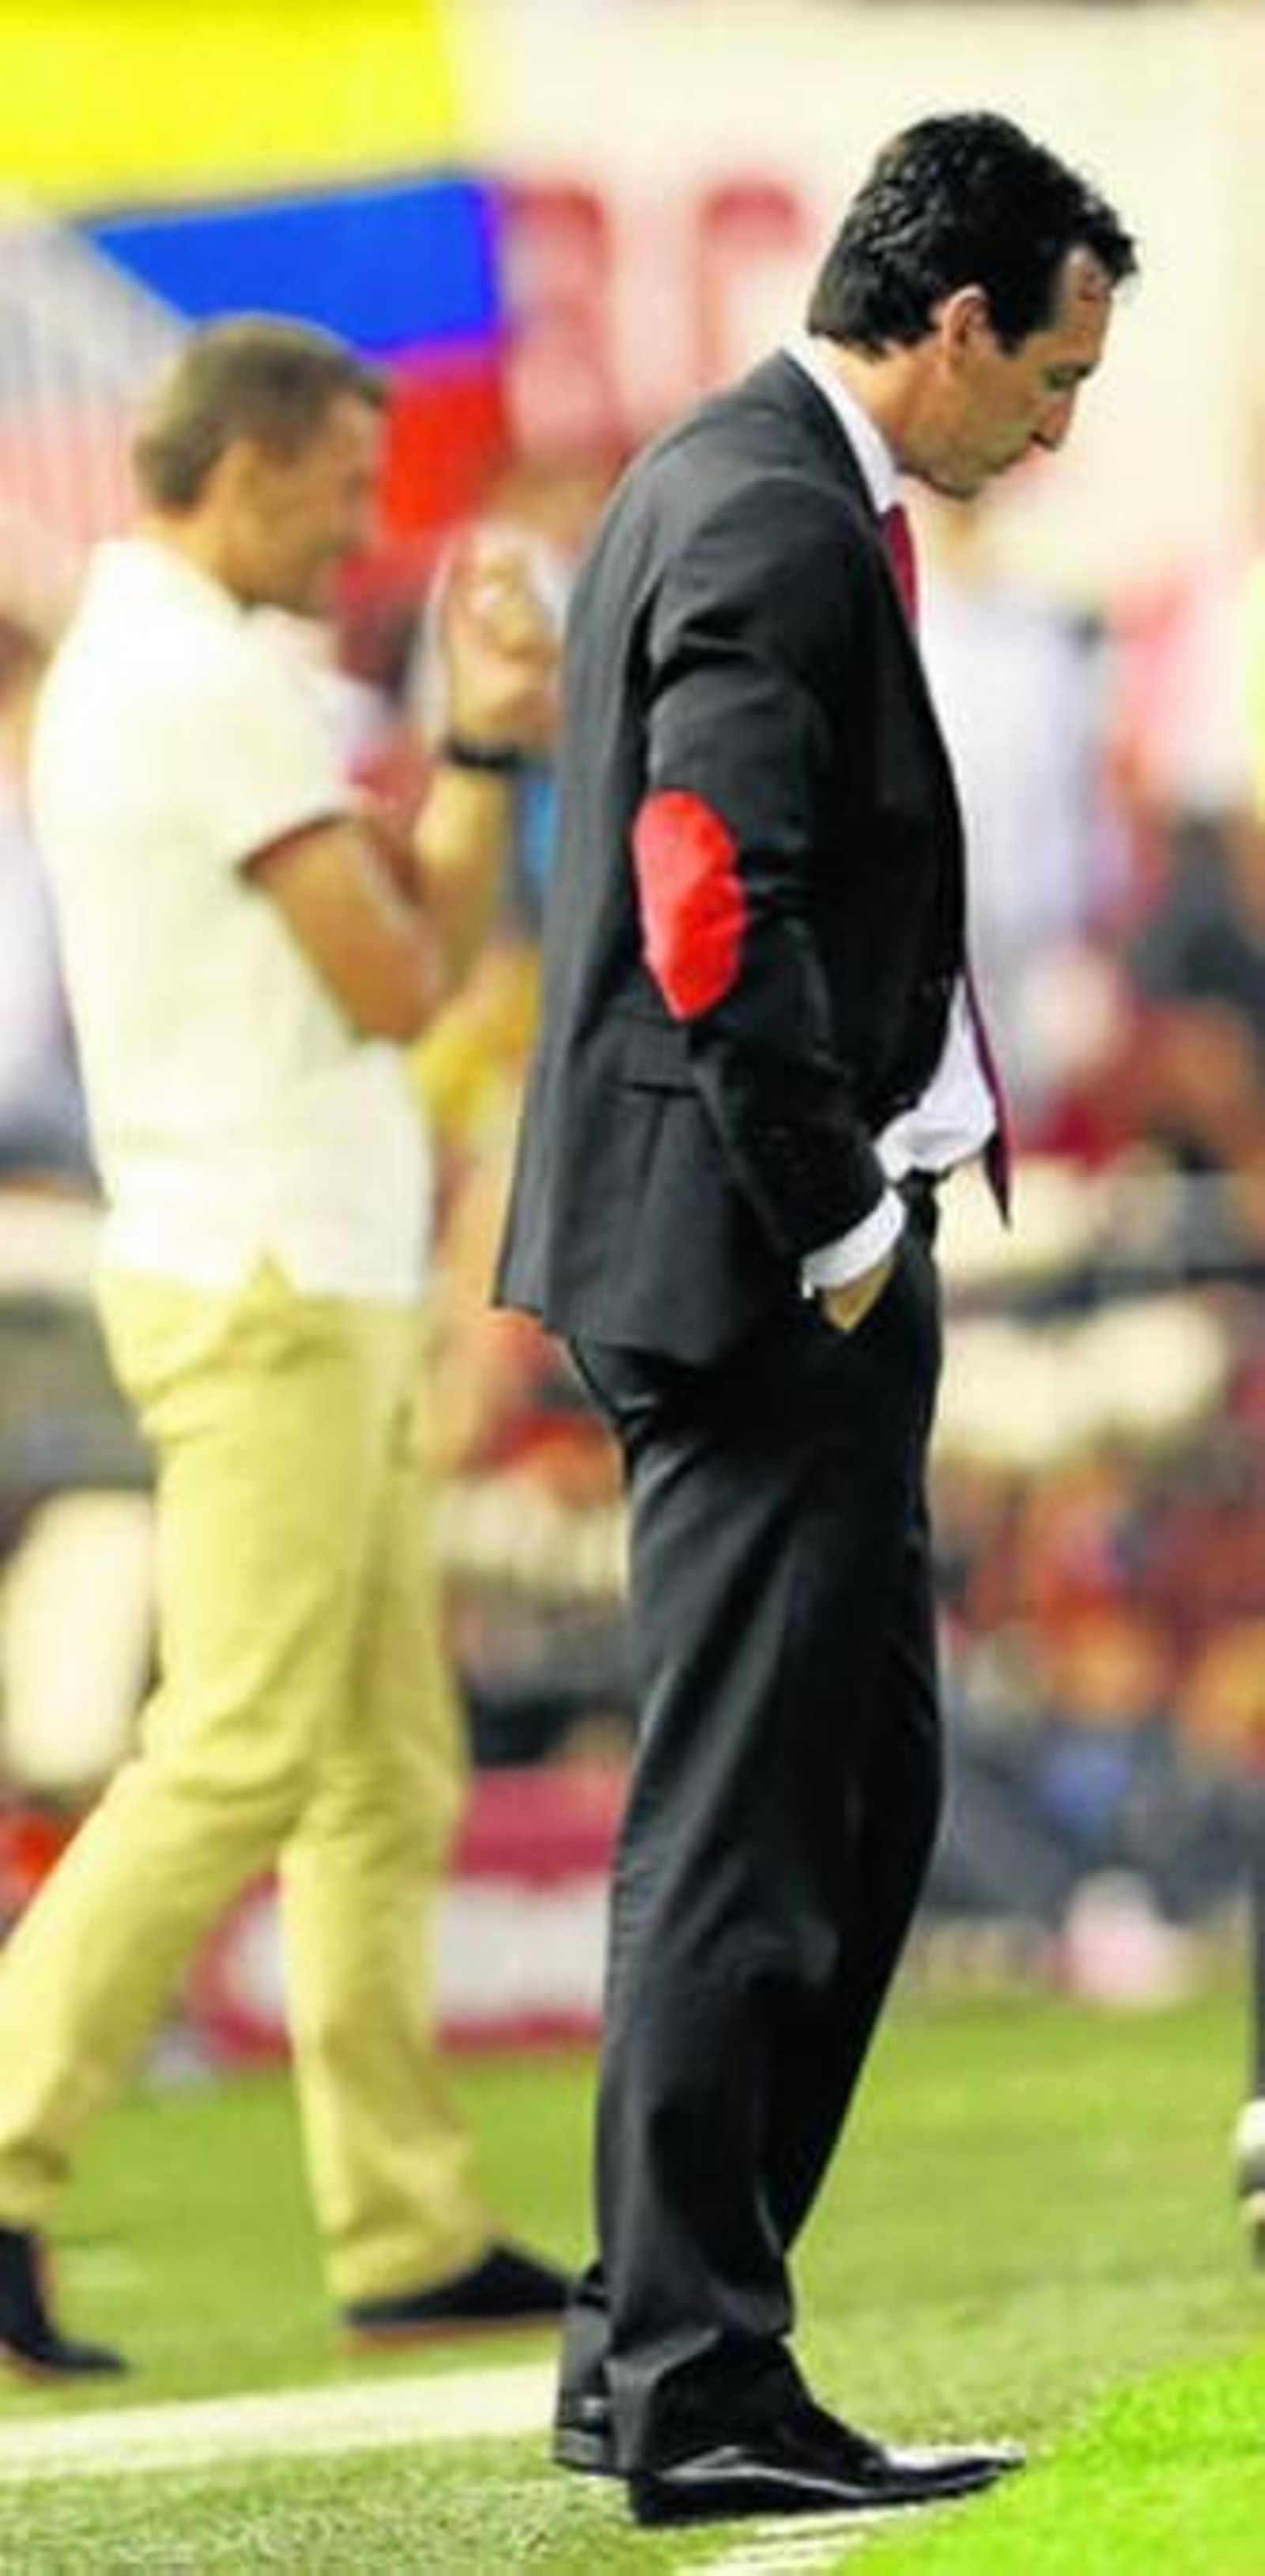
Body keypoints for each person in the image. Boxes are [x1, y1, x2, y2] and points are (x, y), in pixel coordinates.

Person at [496, 112, 1137, 2529]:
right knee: (759, 1829)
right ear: (953, 320)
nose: (1057, 426)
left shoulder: (731, 475)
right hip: (764, 1265)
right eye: (1053, 374)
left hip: (737, 1247)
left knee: (848, 1804)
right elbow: (700, 894)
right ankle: (693, 2378)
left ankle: (643, 2329)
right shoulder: (774, 510)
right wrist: (845, 1222)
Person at [0, 316, 567, 2377]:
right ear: (239, 466)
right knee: (242, 1750)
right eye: (340, 481)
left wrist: (469, 745)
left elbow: (386, 963)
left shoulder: (156, 666)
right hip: (267, 1276)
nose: (360, 526)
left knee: (374, 1769)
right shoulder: (198, 680)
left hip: (278, 1260)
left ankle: (402, 2224)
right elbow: (402, 980)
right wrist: (482, 755)